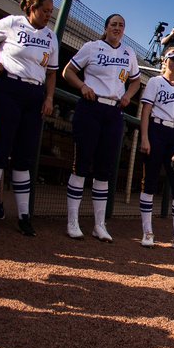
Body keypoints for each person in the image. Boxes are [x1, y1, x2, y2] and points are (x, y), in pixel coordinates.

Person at [0, 0, 59, 237]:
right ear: (32, 8)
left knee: (24, 157)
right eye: (44, 10)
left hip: (34, 94)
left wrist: (49, 98)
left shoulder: (51, 37)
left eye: (51, 12)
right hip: (8, 88)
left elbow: (52, 73)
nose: (47, 15)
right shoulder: (12, 23)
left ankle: (23, 216)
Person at [61, 14, 140, 241]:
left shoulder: (128, 53)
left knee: (105, 170)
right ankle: (72, 222)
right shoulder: (91, 47)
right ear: (106, 28)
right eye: (113, 24)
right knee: (81, 165)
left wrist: (128, 96)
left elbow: (135, 80)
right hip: (90, 108)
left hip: (114, 112)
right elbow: (68, 71)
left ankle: (99, 224)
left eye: (121, 25)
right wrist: (83, 86)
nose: (117, 28)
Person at [137, 46, 174, 249]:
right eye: (173, 59)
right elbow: (145, 111)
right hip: (156, 130)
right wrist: (145, 137)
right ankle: (147, 232)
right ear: (165, 61)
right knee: (150, 181)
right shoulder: (155, 82)